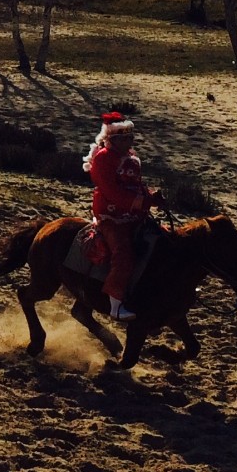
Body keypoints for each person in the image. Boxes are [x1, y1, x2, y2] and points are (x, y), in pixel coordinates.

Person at [83, 111, 155, 322]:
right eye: (126, 138)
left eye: (131, 137)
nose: (130, 141)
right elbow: (110, 190)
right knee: (123, 253)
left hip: (134, 215)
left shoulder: (130, 158)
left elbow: (136, 185)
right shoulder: (104, 159)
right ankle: (116, 304)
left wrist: (151, 198)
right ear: (113, 138)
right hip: (111, 216)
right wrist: (140, 202)